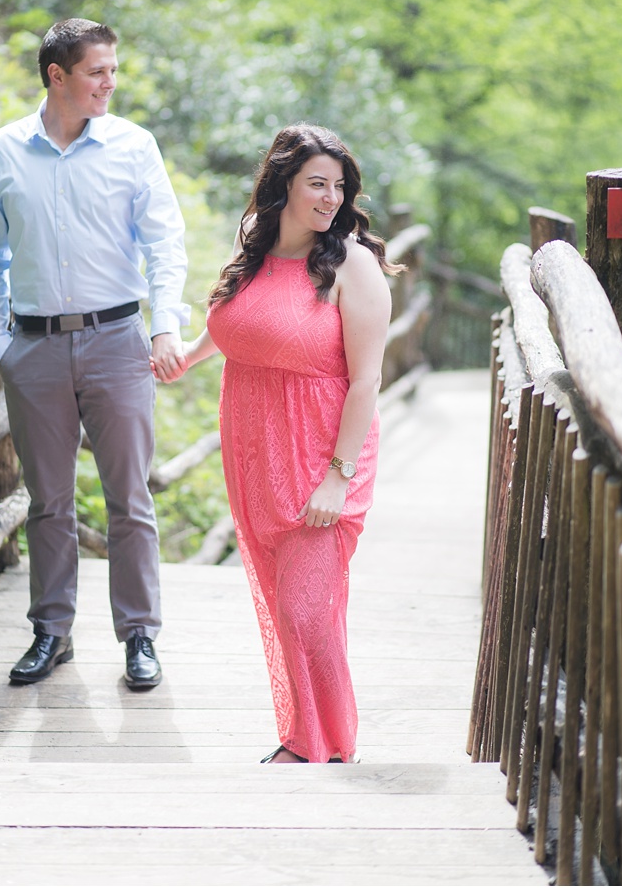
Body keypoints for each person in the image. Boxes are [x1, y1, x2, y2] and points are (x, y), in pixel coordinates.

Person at [160, 123, 398, 764]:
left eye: (338, 186)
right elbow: (248, 319)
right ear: (282, 185)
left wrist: (337, 476)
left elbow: (367, 379)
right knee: (278, 595)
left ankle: (328, 745)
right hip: (256, 446)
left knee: (304, 607)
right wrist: (191, 354)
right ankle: (304, 738)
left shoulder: (353, 265)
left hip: (324, 447)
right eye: (316, 183)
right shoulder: (255, 244)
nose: (329, 197)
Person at [0, 18, 190, 689]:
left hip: (118, 341)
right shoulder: (2, 152)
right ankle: (51, 632)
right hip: (33, 346)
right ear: (57, 75)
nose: (110, 82)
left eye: (113, 69)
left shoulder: (132, 146)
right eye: (97, 71)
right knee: (49, 503)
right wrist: (0, 344)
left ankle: (139, 636)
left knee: (130, 497)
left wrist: (165, 327)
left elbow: (165, 244)